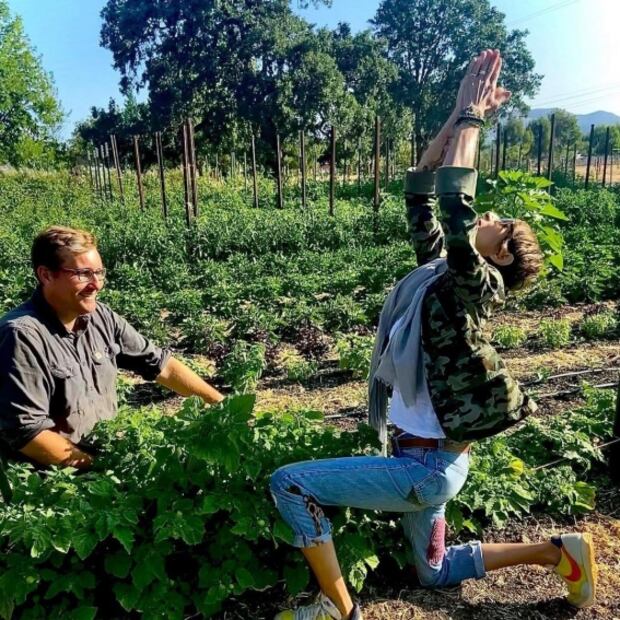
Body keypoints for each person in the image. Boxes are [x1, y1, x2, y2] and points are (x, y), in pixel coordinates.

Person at [269, 50, 597, 620]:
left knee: (290, 485)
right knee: (435, 571)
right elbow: (421, 191)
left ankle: (337, 608)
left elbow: (455, 205)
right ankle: (556, 552)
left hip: (423, 470)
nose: (489, 217)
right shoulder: (440, 275)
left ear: (500, 255)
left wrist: (474, 119)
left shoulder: (475, 285)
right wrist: (454, 116)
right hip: (425, 458)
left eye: (499, 225)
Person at [0, 225, 224, 469]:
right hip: (54, 480)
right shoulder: (21, 336)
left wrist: (223, 408)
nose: (96, 284)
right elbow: (27, 434)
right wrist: (103, 467)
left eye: (99, 273)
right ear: (46, 275)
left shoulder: (100, 317)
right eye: (83, 274)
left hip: (101, 463)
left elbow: (161, 365)